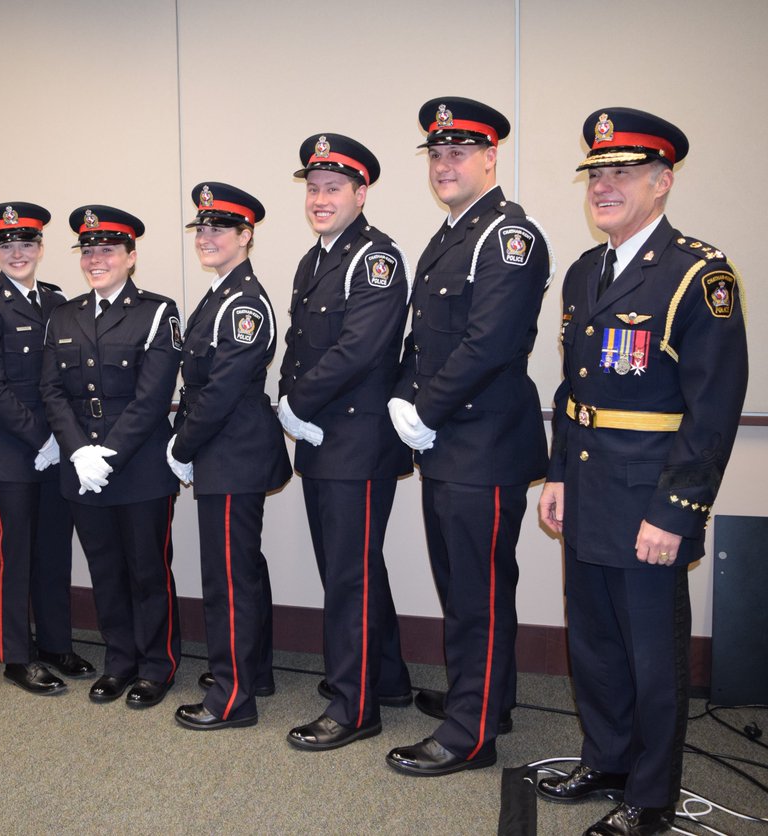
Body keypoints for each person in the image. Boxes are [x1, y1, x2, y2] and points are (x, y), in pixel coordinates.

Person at [536, 109, 748, 836]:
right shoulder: (584, 272)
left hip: (648, 498)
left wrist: (678, 509)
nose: (604, 185)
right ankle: (610, 760)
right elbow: (574, 391)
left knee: (653, 656)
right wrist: (558, 471)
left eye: (623, 172)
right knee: (592, 642)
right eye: (596, 173)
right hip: (590, 489)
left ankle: (652, 799)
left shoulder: (698, 273)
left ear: (662, 182)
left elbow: (714, 408)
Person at [385, 98, 552, 776]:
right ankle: (484, 700)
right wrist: (404, 394)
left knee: (477, 592)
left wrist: (424, 408)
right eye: (437, 153)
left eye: (460, 151)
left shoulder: (509, 236)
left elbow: (491, 343)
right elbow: (423, 340)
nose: (445, 163)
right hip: (449, 445)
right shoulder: (451, 232)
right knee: (463, 587)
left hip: (481, 442)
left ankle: (469, 735)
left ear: (491, 157)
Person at [275, 135, 414, 750]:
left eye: (333, 188)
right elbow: (298, 345)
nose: (320, 198)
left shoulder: (375, 257)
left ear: (362, 193)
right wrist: (287, 395)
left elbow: (360, 348)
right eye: (312, 188)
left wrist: (296, 404)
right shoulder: (315, 258)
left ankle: (353, 707)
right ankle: (386, 679)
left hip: (357, 441)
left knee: (347, 576)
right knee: (355, 567)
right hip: (324, 440)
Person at [41, 205, 182, 708]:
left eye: (108, 250)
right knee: (104, 570)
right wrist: (79, 452)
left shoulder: (158, 312)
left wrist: (110, 455)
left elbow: (152, 397)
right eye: (88, 250)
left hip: (140, 468)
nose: (96, 259)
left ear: (131, 256)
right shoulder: (63, 314)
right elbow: (52, 391)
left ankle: (156, 665)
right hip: (82, 471)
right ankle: (118, 661)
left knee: (148, 571)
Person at [167, 183, 291, 731]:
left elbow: (218, 391)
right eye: (203, 228)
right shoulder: (220, 293)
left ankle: (232, 697)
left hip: (229, 451)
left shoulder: (242, 302)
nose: (208, 237)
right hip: (226, 450)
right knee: (243, 568)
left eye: (221, 228)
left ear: (246, 236)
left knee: (227, 578)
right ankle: (251, 670)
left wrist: (182, 444)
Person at [0, 201, 94, 695]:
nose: (17, 252)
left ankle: (56, 643)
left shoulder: (56, 303)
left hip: (54, 450)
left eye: (26, 243)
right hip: (5, 453)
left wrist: (64, 441)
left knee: (54, 551)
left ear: (40, 247)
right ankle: (16, 654)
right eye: (5, 244)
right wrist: (42, 439)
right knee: (11, 555)